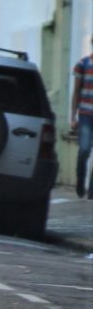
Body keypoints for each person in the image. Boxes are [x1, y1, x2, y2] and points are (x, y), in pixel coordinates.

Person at [70, 39, 93, 199]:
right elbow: (76, 91)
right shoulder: (83, 64)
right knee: (84, 149)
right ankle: (80, 181)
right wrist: (73, 116)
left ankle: (92, 191)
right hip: (85, 114)